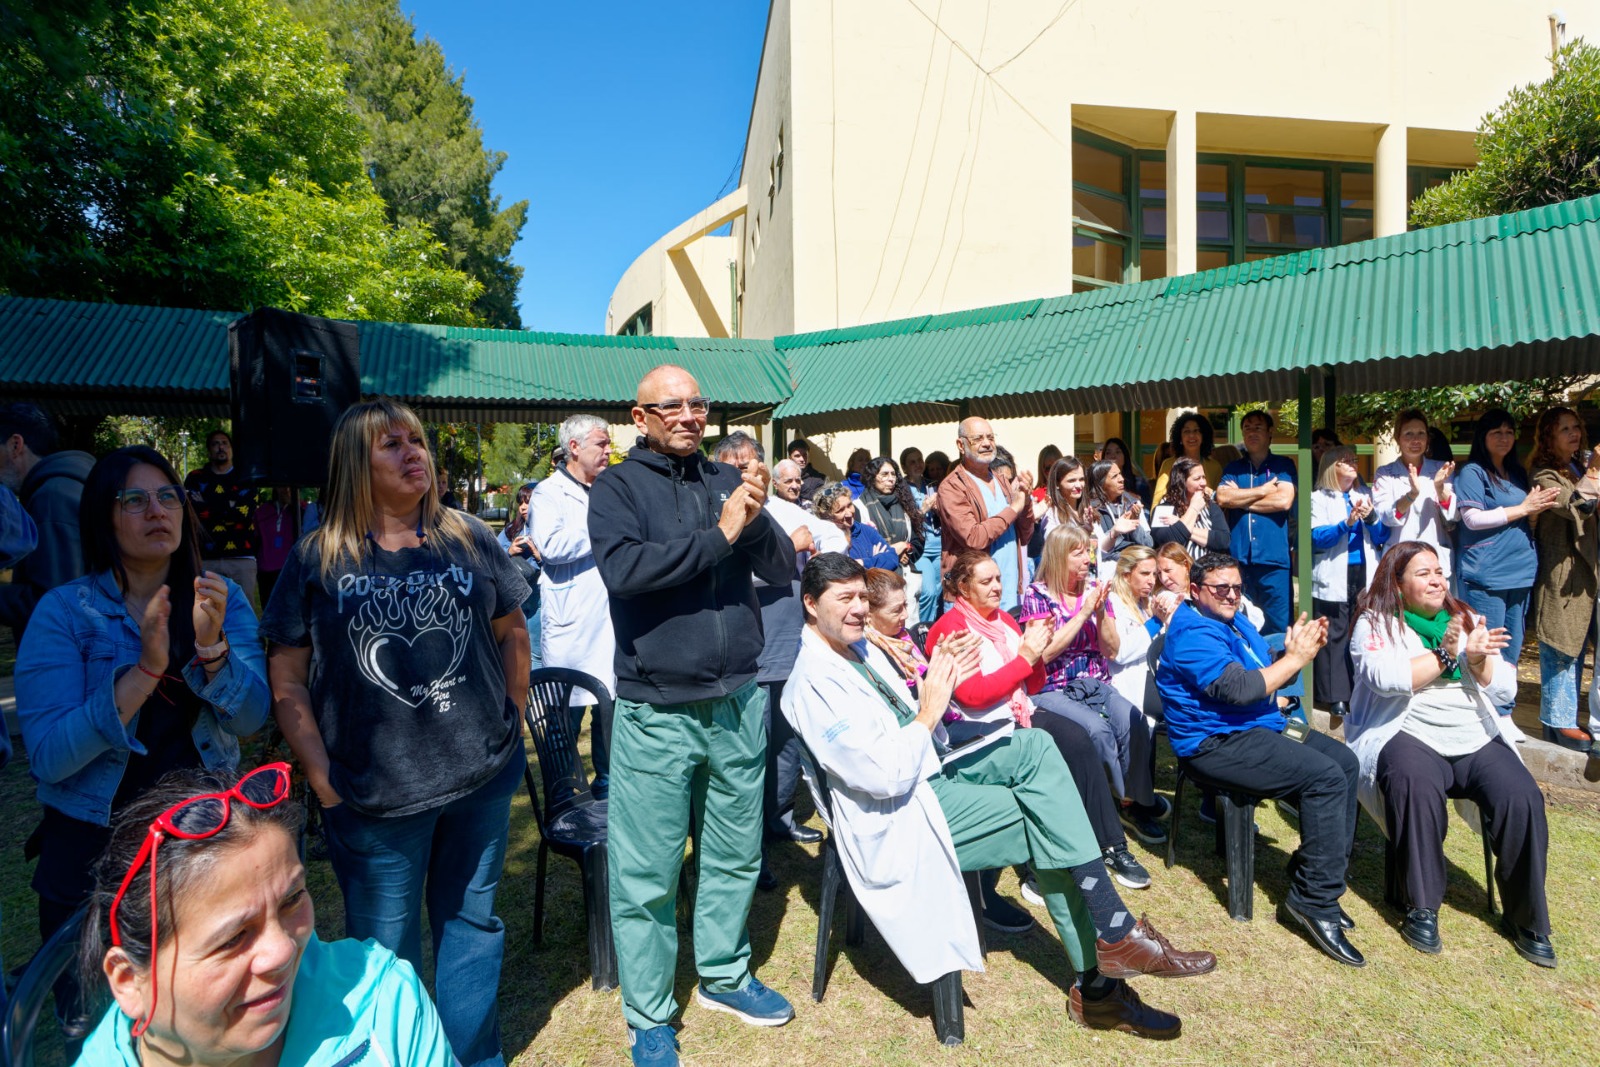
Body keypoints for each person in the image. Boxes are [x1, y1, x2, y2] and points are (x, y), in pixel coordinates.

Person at [784, 553, 1215, 1041]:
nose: (860, 608)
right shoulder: (813, 682)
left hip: (929, 772)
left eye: (863, 596)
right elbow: (884, 775)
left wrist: (931, 677)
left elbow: (921, 723)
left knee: (1036, 745)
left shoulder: (858, 649)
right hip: (897, 811)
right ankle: (1102, 976)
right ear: (810, 603)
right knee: (1051, 815)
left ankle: (1112, 948)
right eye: (846, 599)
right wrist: (931, 708)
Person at [262, 398, 531, 1067]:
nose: (415, 452)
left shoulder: (469, 536)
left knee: (472, 931)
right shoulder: (315, 558)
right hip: (374, 797)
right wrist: (322, 778)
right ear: (355, 461)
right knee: (385, 953)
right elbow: (287, 677)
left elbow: (512, 630)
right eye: (392, 444)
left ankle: (474, 1056)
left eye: (418, 440)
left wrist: (512, 721)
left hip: (480, 779)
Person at [15, 445, 268, 1029]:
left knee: (203, 1019)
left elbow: (251, 720)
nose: (157, 510)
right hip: (92, 855)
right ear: (105, 516)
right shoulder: (64, 615)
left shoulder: (219, 603)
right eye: (134, 499)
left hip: (200, 848)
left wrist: (211, 651)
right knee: (100, 1027)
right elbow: (51, 757)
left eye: (167, 496)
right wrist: (145, 670)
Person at [587, 366, 797, 1067]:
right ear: (639, 415)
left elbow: (782, 565)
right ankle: (649, 1015)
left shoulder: (721, 480)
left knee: (734, 853)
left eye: (696, 402)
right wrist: (720, 534)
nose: (686, 413)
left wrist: (755, 512)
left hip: (738, 699)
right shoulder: (617, 487)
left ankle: (725, 974)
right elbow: (625, 572)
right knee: (646, 872)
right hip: (657, 709)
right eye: (670, 404)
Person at [74, 765, 455, 1065]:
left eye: (292, 900)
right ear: (128, 982)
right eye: (233, 937)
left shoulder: (385, 1003)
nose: (283, 951)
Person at [1344, 542, 1553, 964]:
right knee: (1413, 784)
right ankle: (1422, 908)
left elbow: (1505, 688)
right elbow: (1388, 678)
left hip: (1472, 732)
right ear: (1398, 585)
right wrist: (1446, 653)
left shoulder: (1466, 619)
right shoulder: (1376, 623)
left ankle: (1526, 916)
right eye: (1423, 573)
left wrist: (1476, 659)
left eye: (1439, 571)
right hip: (1407, 730)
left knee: (1522, 796)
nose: (1438, 579)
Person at [1155, 553, 1366, 967]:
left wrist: (1285, 654)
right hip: (1214, 742)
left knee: (1344, 763)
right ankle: (1313, 902)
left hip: (1255, 725)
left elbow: (1256, 672)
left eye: (1237, 586)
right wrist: (1295, 661)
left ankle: (1313, 876)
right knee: (1323, 778)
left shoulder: (1233, 621)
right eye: (1221, 588)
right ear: (1196, 591)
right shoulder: (1193, 631)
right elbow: (1238, 689)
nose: (1232, 594)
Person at [929, 549, 1157, 894]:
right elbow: (973, 696)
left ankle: (1111, 845)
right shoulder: (952, 629)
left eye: (999, 579)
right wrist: (1025, 657)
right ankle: (1048, 865)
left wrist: (1035, 655)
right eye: (986, 581)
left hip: (1020, 710)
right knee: (1054, 752)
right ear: (963, 587)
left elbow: (1032, 684)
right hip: (980, 727)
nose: (997, 587)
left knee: (1080, 739)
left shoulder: (1003, 620)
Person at [715, 439, 822, 886]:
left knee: (785, 742)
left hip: (789, 644)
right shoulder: (717, 511)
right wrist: (790, 549)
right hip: (749, 652)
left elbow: (825, 540)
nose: (742, 470)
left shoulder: (785, 509)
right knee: (748, 754)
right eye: (733, 464)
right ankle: (748, 849)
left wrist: (806, 547)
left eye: (749, 462)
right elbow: (724, 568)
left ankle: (778, 819)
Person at [1019, 525, 1166, 840]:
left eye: (1087, 550)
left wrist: (1100, 615)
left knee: (1136, 722)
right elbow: (1041, 656)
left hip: (1096, 681)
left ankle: (1130, 801)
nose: (1087, 558)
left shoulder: (1096, 589)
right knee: (1097, 731)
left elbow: (1110, 648)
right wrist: (1084, 613)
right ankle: (1115, 801)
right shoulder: (1038, 594)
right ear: (1059, 555)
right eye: (1077, 552)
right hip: (1053, 686)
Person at [532, 413, 618, 791]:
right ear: (574, 447)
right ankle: (563, 789)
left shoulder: (609, 489)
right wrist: (605, 528)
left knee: (609, 712)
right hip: (571, 626)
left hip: (609, 622)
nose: (609, 450)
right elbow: (550, 547)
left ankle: (608, 786)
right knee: (564, 714)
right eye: (602, 444)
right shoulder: (547, 493)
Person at [1453, 409, 1557, 716]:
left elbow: (1527, 514)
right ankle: (1482, 712)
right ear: (1483, 437)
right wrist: (1524, 508)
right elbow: (1472, 519)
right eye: (1496, 432)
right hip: (1487, 574)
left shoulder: (1516, 473)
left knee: (1512, 649)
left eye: (1509, 432)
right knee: (1487, 647)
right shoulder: (1473, 472)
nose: (1504, 438)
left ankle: (1505, 711)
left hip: (1520, 572)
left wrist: (1534, 509)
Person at [1528, 406, 1600, 751]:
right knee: (1559, 645)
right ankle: (1558, 723)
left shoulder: (1577, 467)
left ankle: (1565, 718)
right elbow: (1576, 505)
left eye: (1576, 427)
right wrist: (1595, 471)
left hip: (1585, 574)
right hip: (1560, 573)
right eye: (1565, 429)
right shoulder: (1544, 473)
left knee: (1576, 647)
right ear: (1549, 438)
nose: (1574, 433)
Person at [0, 401, 93, 640]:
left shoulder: (52, 499)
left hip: (60, 659)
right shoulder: (73, 486)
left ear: (15, 445)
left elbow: (55, 602)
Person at [1310, 446, 1390, 717]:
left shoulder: (1365, 495)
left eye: (1355, 460)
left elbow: (1381, 536)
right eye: (1347, 461)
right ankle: (1335, 697)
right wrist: (1346, 523)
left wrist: (1370, 517)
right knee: (1335, 634)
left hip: (1364, 572)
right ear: (1332, 467)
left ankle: (1361, 690)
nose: (1354, 464)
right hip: (1333, 573)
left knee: (1363, 630)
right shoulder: (1317, 499)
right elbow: (1317, 539)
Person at [938, 417, 1035, 612]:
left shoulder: (1002, 481)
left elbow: (1025, 535)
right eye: (978, 438)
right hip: (972, 595)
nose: (987, 443)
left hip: (1007, 591)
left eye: (990, 438)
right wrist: (1013, 509)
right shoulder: (952, 487)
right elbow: (974, 537)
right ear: (961, 445)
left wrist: (1026, 501)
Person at [1217, 410, 1296, 634]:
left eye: (1257, 427)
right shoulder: (1233, 468)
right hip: (1240, 560)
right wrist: (1262, 491)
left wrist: (1240, 500)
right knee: (1242, 623)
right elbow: (1223, 497)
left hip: (1274, 562)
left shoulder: (1284, 466)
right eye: (1247, 428)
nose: (1251, 432)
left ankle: (1281, 668)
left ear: (1270, 433)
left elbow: (1283, 500)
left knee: (1278, 627)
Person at [1374, 410, 1458, 578]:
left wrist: (1440, 488)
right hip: (1399, 554)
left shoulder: (1442, 468)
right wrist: (1411, 495)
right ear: (1398, 438)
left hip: (1435, 554)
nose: (1415, 440)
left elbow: (1455, 515)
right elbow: (1385, 516)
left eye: (1421, 433)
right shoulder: (1385, 473)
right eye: (1408, 434)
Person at [183, 430, 260, 605]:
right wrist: (230, 505)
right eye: (215, 444)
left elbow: (245, 514)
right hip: (206, 558)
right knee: (205, 613)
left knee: (243, 612)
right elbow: (192, 512)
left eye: (225, 443)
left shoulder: (246, 476)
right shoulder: (195, 478)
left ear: (232, 449)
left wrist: (207, 504)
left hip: (241, 557)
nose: (220, 447)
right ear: (209, 450)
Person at [1104, 546, 1168, 721]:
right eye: (1145, 574)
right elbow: (1120, 652)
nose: (1151, 581)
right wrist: (1156, 622)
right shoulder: (1112, 603)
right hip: (1128, 693)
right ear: (1126, 575)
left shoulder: (1145, 605)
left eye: (1154, 574)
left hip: (1150, 689)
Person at [1152, 457, 1230, 563]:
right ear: (1182, 481)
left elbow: (1223, 540)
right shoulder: (1163, 509)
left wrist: (1180, 524)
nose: (1203, 483)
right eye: (1197, 479)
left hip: (1207, 572)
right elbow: (1168, 540)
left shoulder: (1211, 507)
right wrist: (1194, 508)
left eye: (1204, 477)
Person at [857, 456, 925, 577]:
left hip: (904, 574)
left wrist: (907, 551)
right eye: (884, 474)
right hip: (875, 575)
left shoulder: (905, 503)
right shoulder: (859, 507)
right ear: (872, 478)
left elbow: (917, 540)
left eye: (893, 474)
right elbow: (858, 546)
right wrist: (892, 554)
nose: (891, 479)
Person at [1086, 459, 1151, 577]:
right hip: (1109, 570)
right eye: (1114, 476)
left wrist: (1135, 524)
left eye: (1120, 474)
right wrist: (1115, 532)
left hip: (1136, 564)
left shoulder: (1132, 502)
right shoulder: (1091, 509)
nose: (1121, 479)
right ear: (1101, 482)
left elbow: (1148, 544)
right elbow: (1097, 551)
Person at [816, 480, 899, 572]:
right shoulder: (828, 540)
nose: (849, 513)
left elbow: (893, 558)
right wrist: (877, 560)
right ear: (826, 516)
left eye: (849, 505)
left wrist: (862, 563)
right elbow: (843, 573)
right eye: (840, 511)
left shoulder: (865, 530)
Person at [253, 486, 306, 608]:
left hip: (290, 567)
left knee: (290, 610)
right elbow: (256, 538)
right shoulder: (262, 511)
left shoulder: (303, 510)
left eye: (289, 487)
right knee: (268, 608)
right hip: (266, 569)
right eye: (283, 487)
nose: (287, 490)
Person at [914, 451, 950, 623]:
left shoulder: (934, 485)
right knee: (927, 590)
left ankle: (935, 626)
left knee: (938, 591)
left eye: (919, 460)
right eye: (912, 462)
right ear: (905, 466)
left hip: (939, 543)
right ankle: (923, 628)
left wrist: (938, 510)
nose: (917, 464)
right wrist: (923, 510)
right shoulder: (903, 488)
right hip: (921, 547)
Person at [1152, 413, 1220, 503]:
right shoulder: (1168, 464)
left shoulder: (1214, 467)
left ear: (1203, 436)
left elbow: (1220, 500)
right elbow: (1158, 500)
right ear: (1180, 437)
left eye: (1196, 430)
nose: (1191, 435)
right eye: (1186, 431)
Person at [1038, 456, 1096, 539]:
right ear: (1057, 484)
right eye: (1071, 481)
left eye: (1081, 479)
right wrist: (1083, 533)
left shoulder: (1088, 511)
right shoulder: (1052, 514)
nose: (1078, 485)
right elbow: (1053, 543)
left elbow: (1102, 546)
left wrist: (1113, 533)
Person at [1096, 437, 1151, 509]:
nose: (1113, 456)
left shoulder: (1139, 483)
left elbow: (1146, 511)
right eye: (1108, 453)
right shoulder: (1097, 482)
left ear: (1125, 456)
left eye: (1118, 452)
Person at [788, 438, 826, 505]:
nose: (802, 459)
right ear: (790, 458)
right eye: (797, 456)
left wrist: (802, 485)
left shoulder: (819, 478)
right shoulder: (785, 477)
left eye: (804, 455)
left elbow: (820, 500)